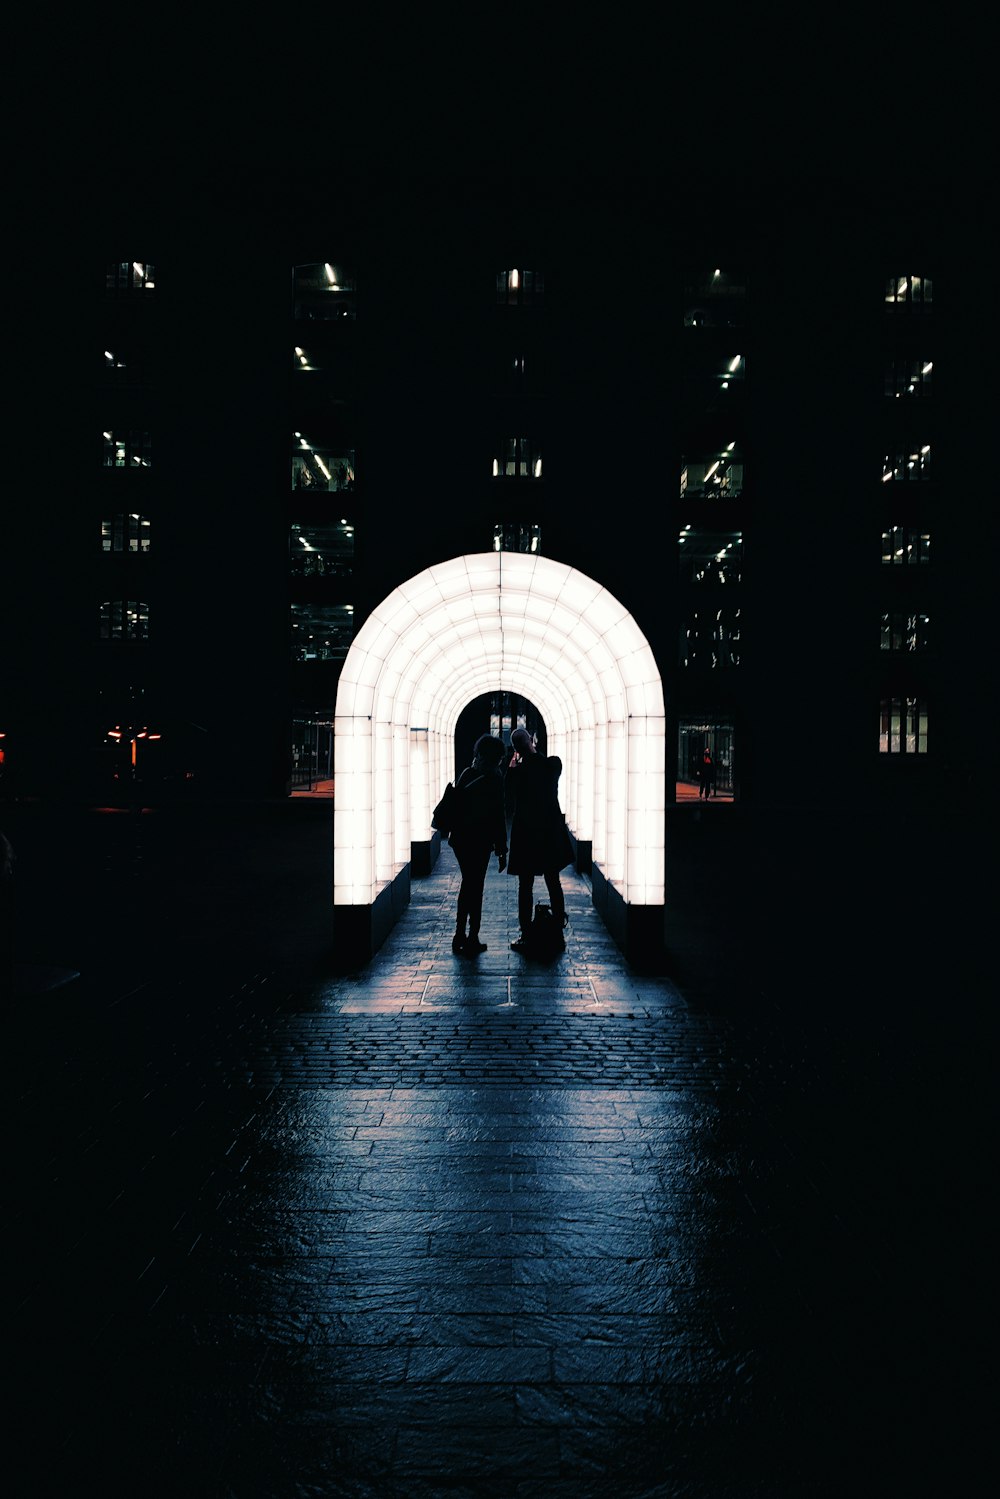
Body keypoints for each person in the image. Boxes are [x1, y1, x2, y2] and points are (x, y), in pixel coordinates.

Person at [505, 727, 574, 951]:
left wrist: (513, 767)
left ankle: (526, 932)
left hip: (526, 834)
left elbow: (508, 796)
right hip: (548, 833)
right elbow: (548, 767)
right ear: (532, 741)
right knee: (553, 881)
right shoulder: (552, 765)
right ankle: (557, 930)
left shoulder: (517, 773)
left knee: (525, 885)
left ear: (515, 750)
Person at [449, 734, 508, 955]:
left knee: (468, 884)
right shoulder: (495, 779)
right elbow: (498, 816)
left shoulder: (467, 774)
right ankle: (472, 936)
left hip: (461, 840)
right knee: (476, 886)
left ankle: (459, 934)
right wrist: (501, 849)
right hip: (481, 841)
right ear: (496, 758)